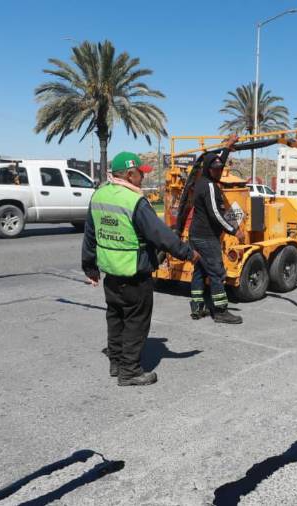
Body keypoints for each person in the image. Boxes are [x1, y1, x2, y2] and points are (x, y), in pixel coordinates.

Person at [82, 152, 200, 387]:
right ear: (128, 174)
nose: (142, 179)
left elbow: (90, 234)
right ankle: (130, 371)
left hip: (111, 274)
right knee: (136, 322)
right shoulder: (134, 201)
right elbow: (160, 234)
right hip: (135, 274)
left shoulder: (99, 195)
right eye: (140, 174)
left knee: (115, 318)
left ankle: (116, 363)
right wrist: (187, 253)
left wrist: (89, 267)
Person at [188, 134, 246, 324]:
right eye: (216, 169)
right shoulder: (210, 187)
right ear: (208, 170)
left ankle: (197, 308)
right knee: (217, 272)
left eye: (221, 168)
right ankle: (220, 311)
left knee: (200, 271)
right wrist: (234, 230)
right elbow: (216, 213)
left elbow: (216, 160)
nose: (219, 171)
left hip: (195, 236)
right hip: (206, 237)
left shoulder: (201, 182)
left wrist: (227, 147)